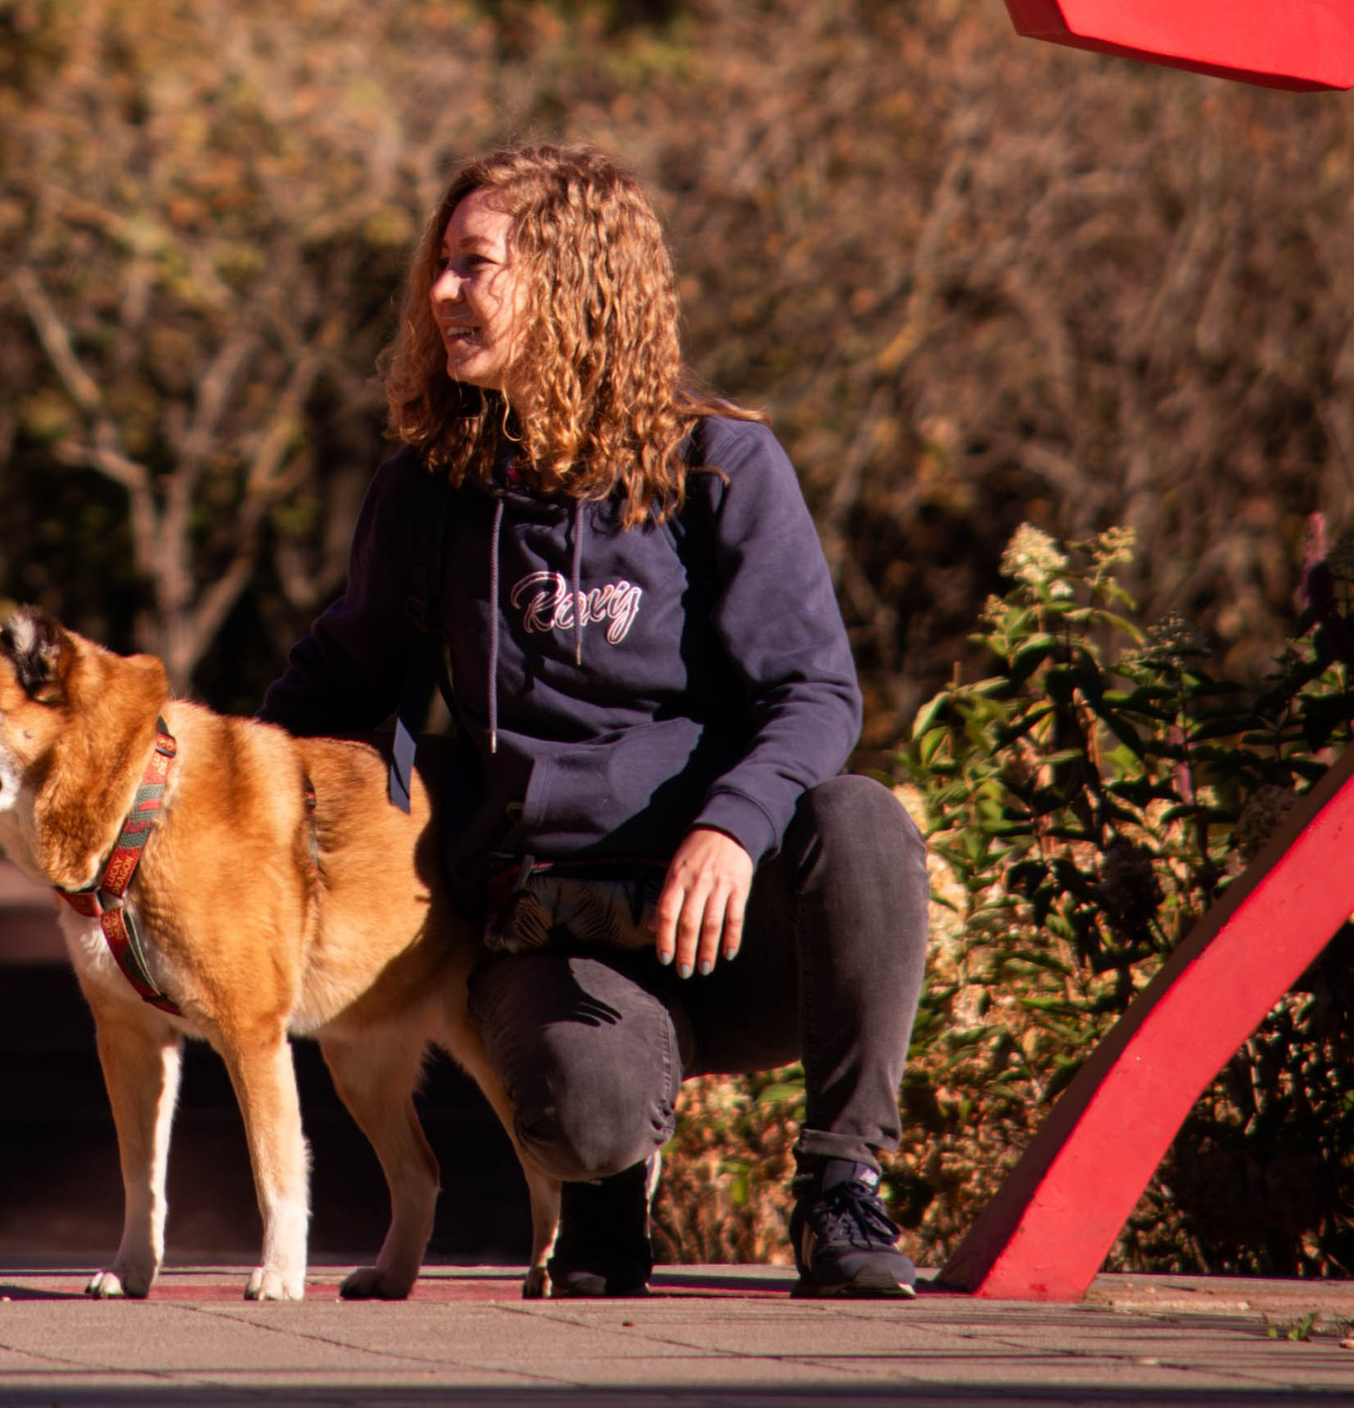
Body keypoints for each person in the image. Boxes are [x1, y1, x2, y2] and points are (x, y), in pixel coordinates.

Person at [261, 141, 929, 1299]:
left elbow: (813, 693)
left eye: (474, 265)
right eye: (440, 263)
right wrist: (183, 788)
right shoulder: (428, 494)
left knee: (860, 820)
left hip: (729, 928)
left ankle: (840, 1185)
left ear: (571, 280)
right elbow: (332, 686)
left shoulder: (721, 465)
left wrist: (729, 828)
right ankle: (611, 1179)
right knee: (585, 1118)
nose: (440, 291)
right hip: (555, 930)